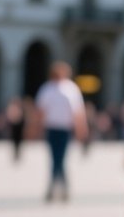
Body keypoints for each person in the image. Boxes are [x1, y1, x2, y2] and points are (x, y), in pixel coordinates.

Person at [35, 62, 87, 202]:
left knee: (60, 159)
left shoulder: (71, 88)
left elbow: (78, 112)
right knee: (55, 158)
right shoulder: (47, 89)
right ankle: (60, 187)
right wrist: (37, 128)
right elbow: (40, 111)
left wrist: (81, 130)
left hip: (65, 128)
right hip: (52, 128)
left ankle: (56, 187)